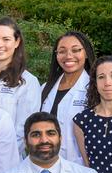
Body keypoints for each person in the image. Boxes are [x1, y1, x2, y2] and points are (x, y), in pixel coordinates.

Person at [0, 17, 41, 153]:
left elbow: (24, 129)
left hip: (7, 156)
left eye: (6, 39)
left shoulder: (28, 82)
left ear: (17, 42)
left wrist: (5, 154)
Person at [40, 31, 95, 164]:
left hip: (82, 168)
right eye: (62, 51)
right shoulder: (44, 89)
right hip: (46, 166)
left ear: (86, 53)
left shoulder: (95, 89)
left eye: (76, 50)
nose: (68, 56)